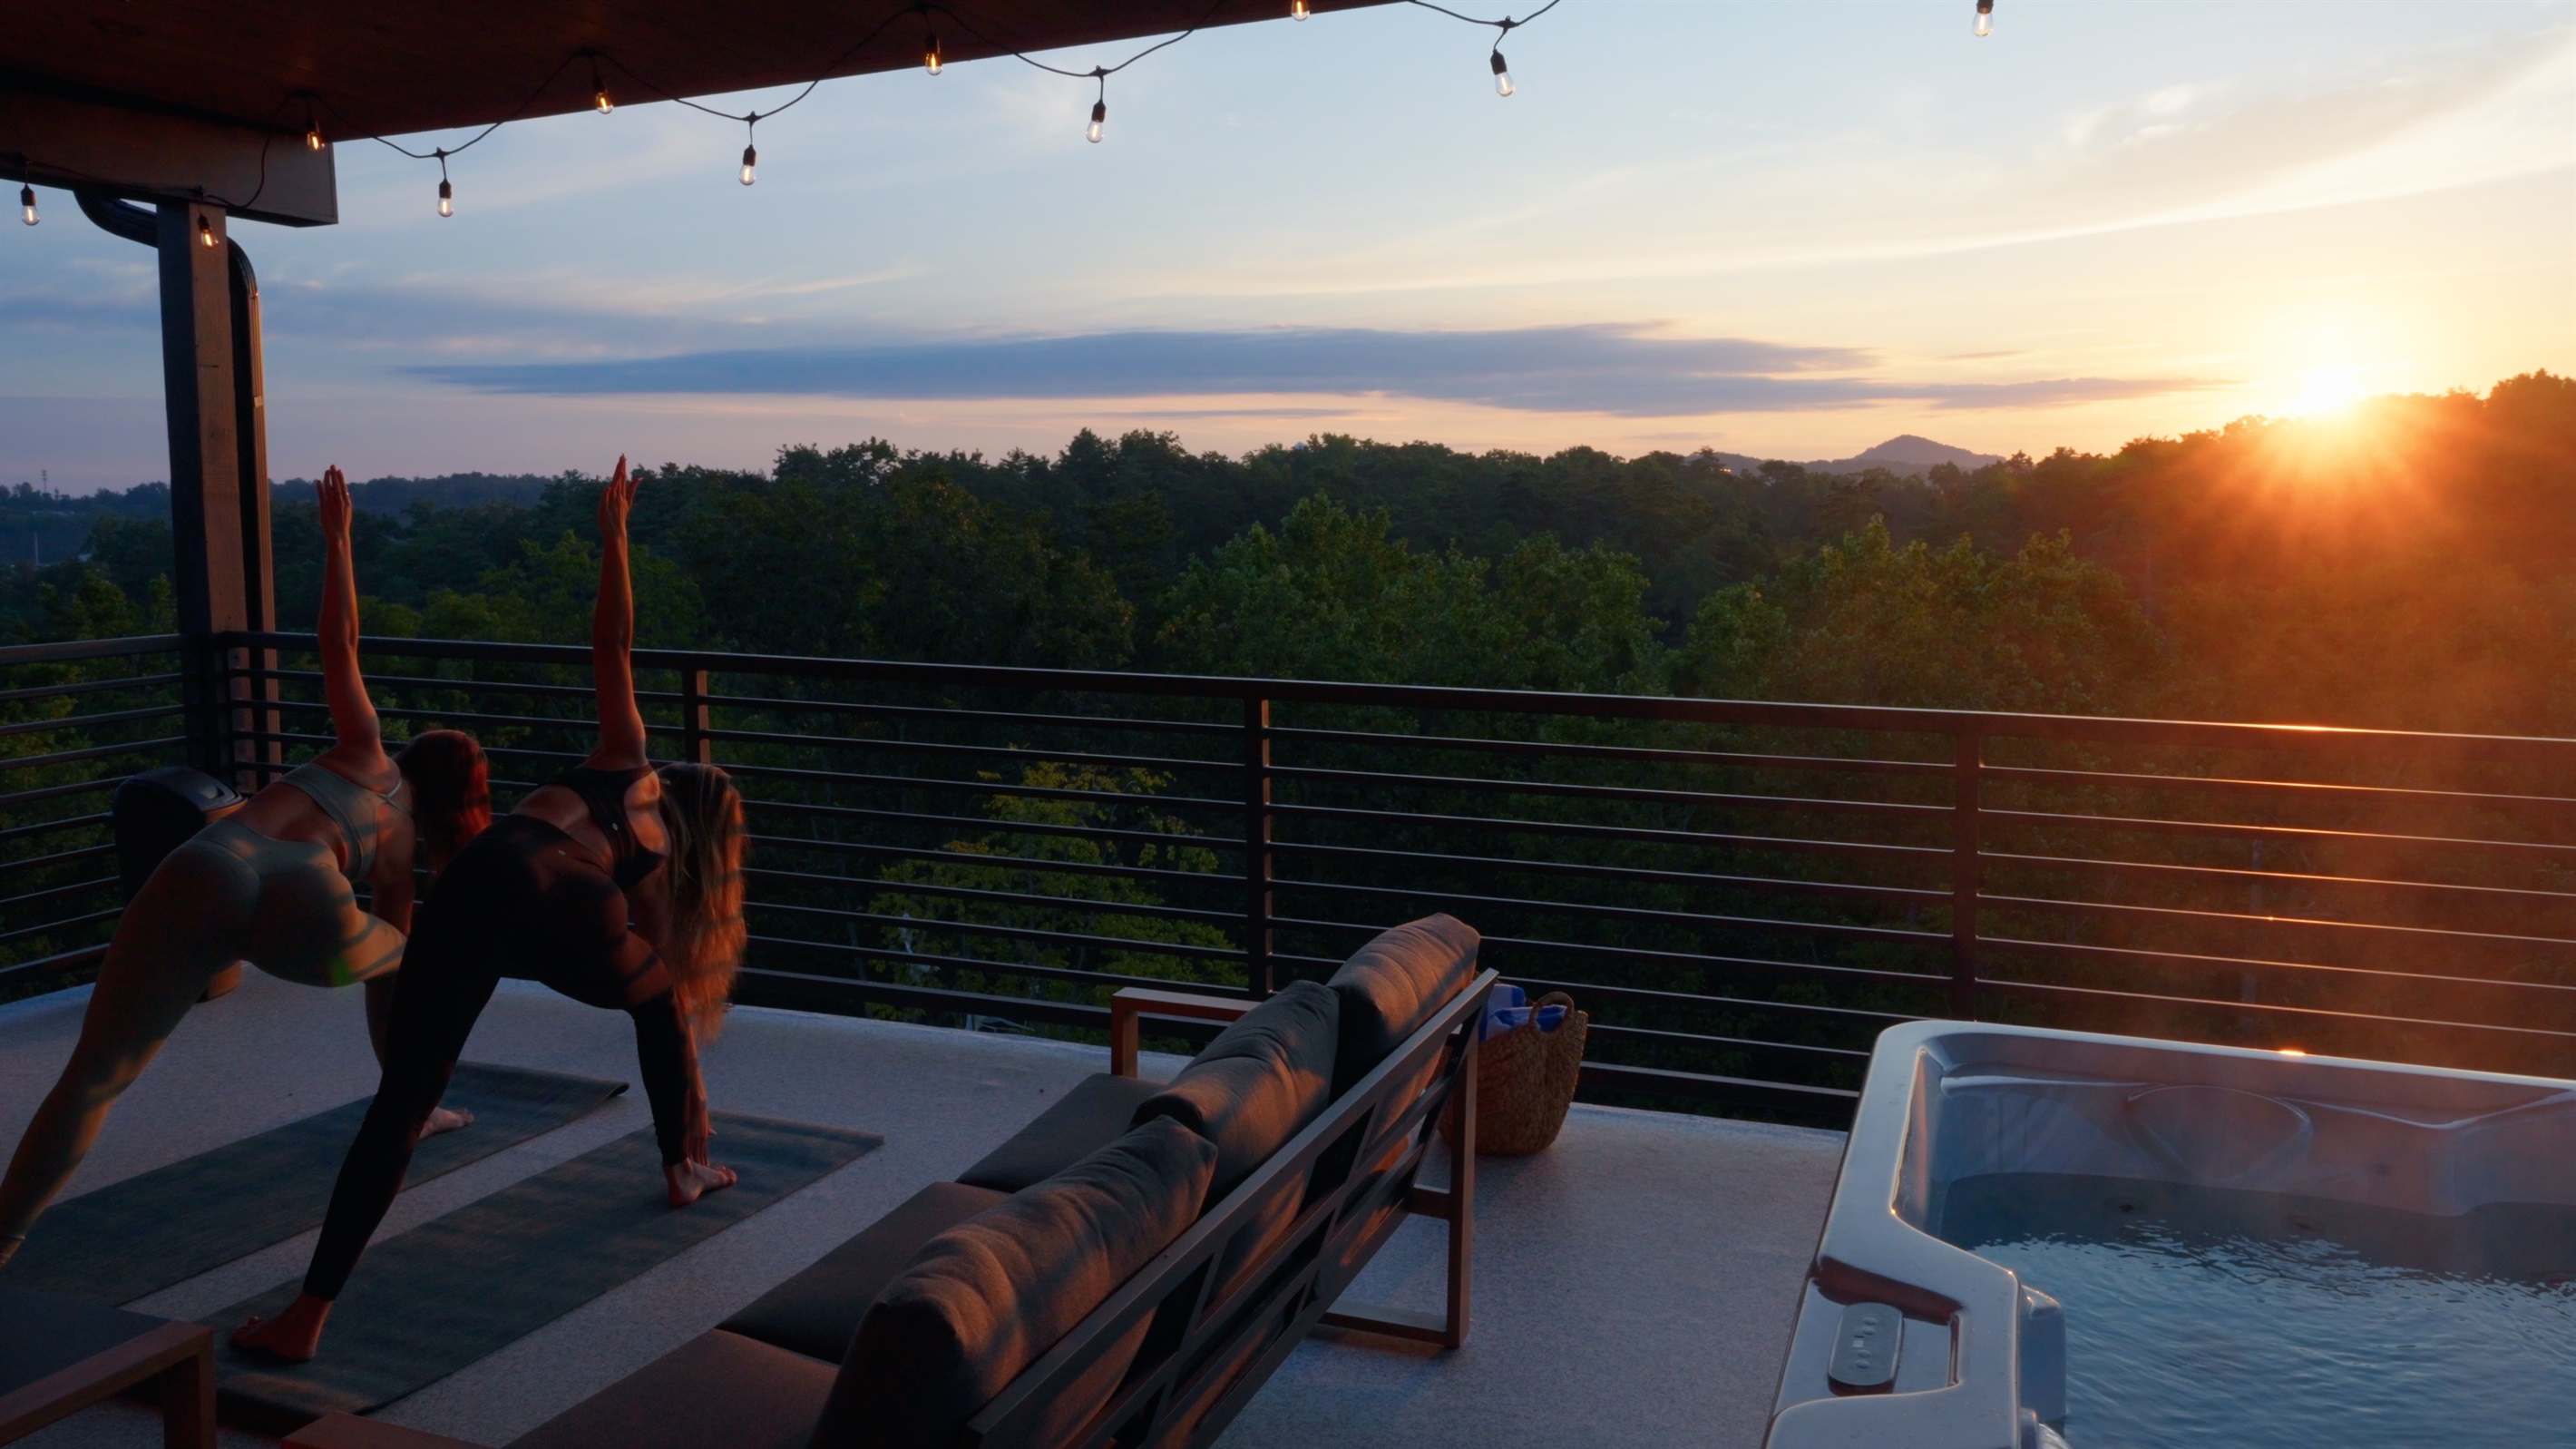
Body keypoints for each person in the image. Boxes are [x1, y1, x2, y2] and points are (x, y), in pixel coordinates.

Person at [233, 458, 747, 1361]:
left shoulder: (624, 758)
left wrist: (615, 536)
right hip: (566, 905)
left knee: (400, 1104)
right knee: (657, 999)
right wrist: (690, 1117)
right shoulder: (659, 856)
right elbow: (658, 1002)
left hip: (486, 877)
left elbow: (612, 647)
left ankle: (305, 1317)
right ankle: (682, 1169)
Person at [0, 467, 488, 1268]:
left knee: (94, 1075)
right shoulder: (403, 853)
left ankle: (4, 1237)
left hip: (207, 859)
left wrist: (338, 543)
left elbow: (340, 642)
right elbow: (382, 973)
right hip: (307, 897)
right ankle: (411, 1107)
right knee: (408, 952)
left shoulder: (363, 747)